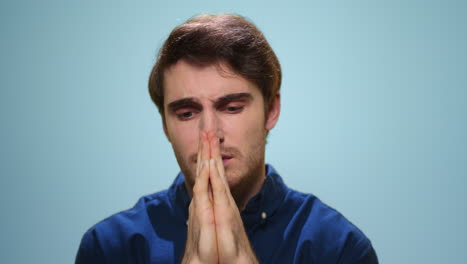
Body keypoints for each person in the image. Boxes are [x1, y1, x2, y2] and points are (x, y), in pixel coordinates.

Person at [76, 14, 378, 263]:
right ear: (165, 125)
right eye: (186, 113)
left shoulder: (340, 249)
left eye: (231, 108)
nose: (211, 134)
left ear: (271, 111)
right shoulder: (109, 248)